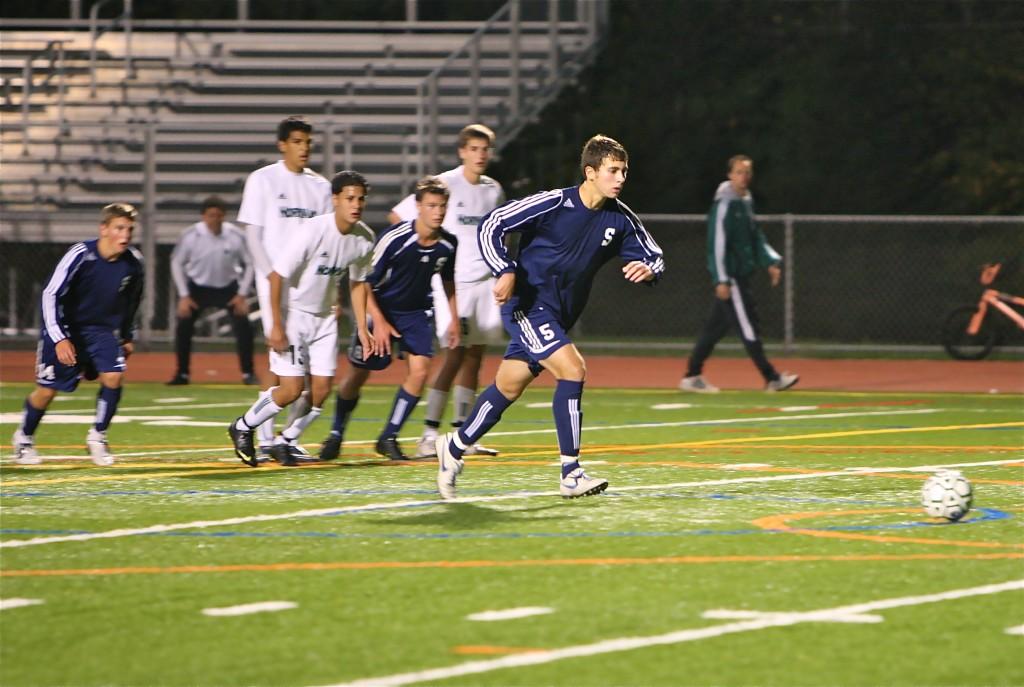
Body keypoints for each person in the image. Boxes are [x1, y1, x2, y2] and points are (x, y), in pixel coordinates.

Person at [433, 134, 665, 500]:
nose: (620, 178)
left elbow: (655, 254)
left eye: (624, 171)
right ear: (590, 172)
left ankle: (455, 446)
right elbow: (492, 224)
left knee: (508, 386)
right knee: (573, 370)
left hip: (558, 316)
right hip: (526, 305)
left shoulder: (619, 219)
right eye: (613, 171)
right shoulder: (553, 203)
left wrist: (649, 269)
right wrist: (504, 269)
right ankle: (571, 472)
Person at [228, 171, 376, 467]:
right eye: (349, 198)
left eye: (360, 199)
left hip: (324, 319)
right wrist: (276, 324)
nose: (356, 204)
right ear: (335, 200)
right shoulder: (313, 230)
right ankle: (243, 426)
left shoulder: (365, 238)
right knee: (292, 389)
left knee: (322, 389)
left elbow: (358, 283)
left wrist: (363, 327)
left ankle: (286, 440)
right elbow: (276, 276)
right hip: (294, 314)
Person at [318, 176, 459, 462]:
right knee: (359, 373)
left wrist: (454, 317)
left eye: (442, 206)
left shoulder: (448, 243)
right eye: (431, 205)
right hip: (379, 307)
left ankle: (389, 436)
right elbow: (364, 283)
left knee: (420, 371)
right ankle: (335, 433)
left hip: (417, 313)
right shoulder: (394, 239)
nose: (438, 212)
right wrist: (378, 322)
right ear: (418, 207)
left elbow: (447, 281)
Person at [386, 124, 505, 458]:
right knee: (453, 355)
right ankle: (428, 434)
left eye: (486, 149)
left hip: (485, 282)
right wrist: (421, 259)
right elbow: (398, 216)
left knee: (474, 357)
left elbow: (500, 230)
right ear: (462, 151)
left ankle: (462, 435)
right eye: (474, 148)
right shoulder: (445, 184)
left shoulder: (493, 189)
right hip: (456, 283)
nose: (480, 155)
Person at [11, 203, 144, 466]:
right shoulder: (80, 254)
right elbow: (50, 293)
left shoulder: (134, 263)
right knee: (47, 391)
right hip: (65, 329)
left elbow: (133, 301)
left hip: (101, 331)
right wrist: (59, 338)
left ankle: (98, 437)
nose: (125, 236)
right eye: (119, 228)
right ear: (103, 229)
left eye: (129, 229)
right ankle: (24, 437)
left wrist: (127, 336)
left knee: (114, 376)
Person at [236, 115, 332, 459]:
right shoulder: (262, 180)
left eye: (307, 142)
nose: (304, 148)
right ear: (282, 145)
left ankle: (282, 438)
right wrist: (272, 277)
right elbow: (253, 235)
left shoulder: (320, 187)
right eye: (296, 142)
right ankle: (264, 437)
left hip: (310, 287)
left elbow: (325, 239)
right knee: (280, 360)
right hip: (276, 285)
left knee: (300, 368)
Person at [678, 155, 798, 394]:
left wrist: (771, 262)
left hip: (741, 275)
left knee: (715, 329)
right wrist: (721, 279)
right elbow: (717, 245)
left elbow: (755, 237)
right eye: (740, 172)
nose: (745, 177)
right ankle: (771, 377)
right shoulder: (724, 205)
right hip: (731, 278)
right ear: (730, 175)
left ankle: (692, 375)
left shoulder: (745, 201)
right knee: (748, 327)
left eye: (747, 172)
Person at [166, 195, 256, 386]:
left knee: (244, 328)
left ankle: (248, 373)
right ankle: (182, 373)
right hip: (198, 287)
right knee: (183, 327)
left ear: (224, 216)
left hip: (229, 287)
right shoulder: (191, 235)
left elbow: (249, 263)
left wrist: (242, 294)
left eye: (218, 215)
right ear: (203, 216)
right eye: (210, 215)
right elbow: (176, 262)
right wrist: (184, 295)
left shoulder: (236, 235)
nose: (214, 219)